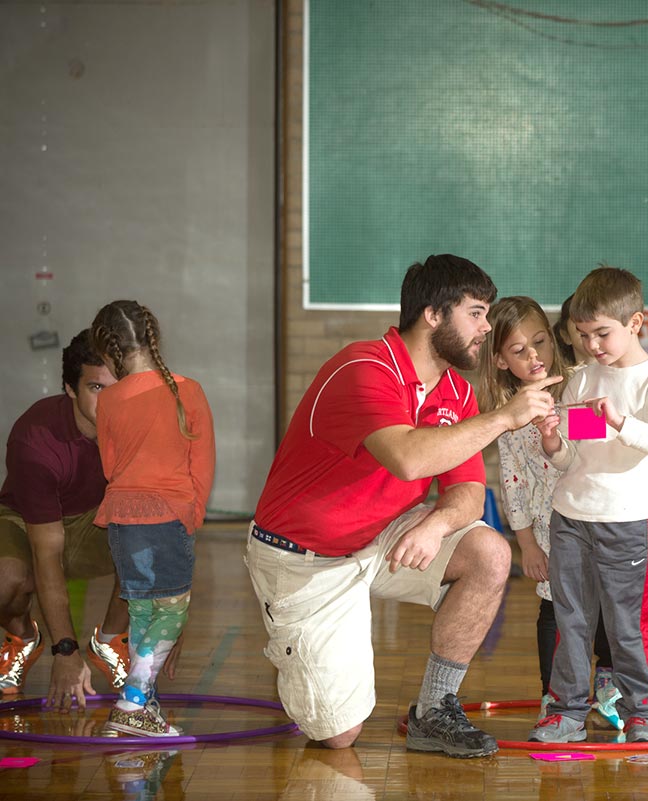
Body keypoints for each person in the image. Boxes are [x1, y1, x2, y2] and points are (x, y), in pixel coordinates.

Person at [246, 254, 559, 756]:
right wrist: (505, 418)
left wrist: (437, 524)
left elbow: (469, 494)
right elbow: (409, 459)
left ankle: (434, 710)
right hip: (306, 555)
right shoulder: (362, 366)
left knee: (490, 553)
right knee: (339, 735)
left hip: (386, 534)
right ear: (433, 314)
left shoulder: (457, 389)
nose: (486, 329)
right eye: (476, 313)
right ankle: (299, 645)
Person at [529, 266, 648, 744]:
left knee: (626, 627)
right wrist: (553, 443)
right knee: (571, 619)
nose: (592, 344)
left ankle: (642, 715)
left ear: (635, 324)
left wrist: (620, 421)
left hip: (628, 523)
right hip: (571, 517)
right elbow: (574, 456)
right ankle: (567, 712)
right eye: (583, 334)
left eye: (602, 333)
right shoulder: (581, 380)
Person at [480, 296, 623, 728]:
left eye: (539, 342)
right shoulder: (509, 417)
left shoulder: (578, 389)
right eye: (519, 351)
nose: (534, 356)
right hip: (548, 532)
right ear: (502, 361)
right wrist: (526, 545)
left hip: (597, 518)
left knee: (609, 609)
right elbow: (514, 487)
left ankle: (607, 686)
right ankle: (554, 696)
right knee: (555, 612)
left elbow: (592, 455)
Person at [90, 300, 215, 736]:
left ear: (108, 355)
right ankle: (134, 700)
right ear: (153, 339)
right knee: (173, 611)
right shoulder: (189, 390)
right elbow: (202, 464)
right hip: (166, 517)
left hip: (123, 520)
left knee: (144, 612)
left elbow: (110, 467)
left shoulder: (107, 401)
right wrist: (192, 515)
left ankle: (143, 708)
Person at [0, 329, 130, 707]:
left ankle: (110, 641)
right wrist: (65, 650)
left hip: (94, 519)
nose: (110, 402)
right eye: (96, 388)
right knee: (7, 579)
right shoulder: (35, 440)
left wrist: (176, 607)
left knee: (148, 537)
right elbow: (47, 556)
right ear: (70, 389)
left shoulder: (137, 428)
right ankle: (21, 637)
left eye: (117, 387)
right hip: (26, 522)